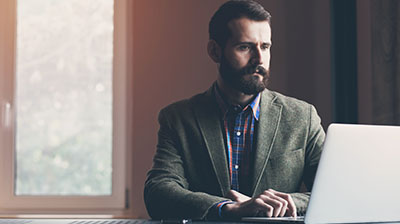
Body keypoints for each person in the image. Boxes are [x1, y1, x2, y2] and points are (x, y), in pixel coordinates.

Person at [144, 0, 325, 220]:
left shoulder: (302, 117)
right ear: (215, 51)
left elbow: (333, 190)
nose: (259, 59)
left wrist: (289, 201)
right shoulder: (178, 119)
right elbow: (158, 191)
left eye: (265, 47)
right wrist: (226, 207)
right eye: (245, 47)